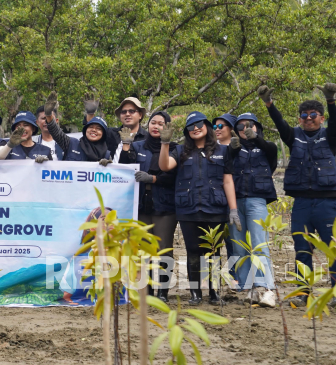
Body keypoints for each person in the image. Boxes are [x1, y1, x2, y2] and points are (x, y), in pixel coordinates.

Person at [258, 82, 336, 301]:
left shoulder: (329, 137)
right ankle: (303, 292)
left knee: (333, 249)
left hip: (326, 204)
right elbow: (280, 123)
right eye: (304, 115)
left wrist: (330, 102)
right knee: (302, 249)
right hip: (302, 204)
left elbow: (335, 124)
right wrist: (269, 103)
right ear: (299, 119)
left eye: (313, 114)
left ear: (321, 118)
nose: (308, 118)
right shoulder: (293, 137)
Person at [158, 111, 241, 305]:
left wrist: (233, 209)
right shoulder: (180, 151)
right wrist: (164, 143)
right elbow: (164, 166)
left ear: (207, 126)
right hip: (188, 209)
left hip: (215, 209)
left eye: (199, 124)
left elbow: (228, 181)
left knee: (213, 251)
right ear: (187, 131)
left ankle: (214, 293)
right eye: (190, 126)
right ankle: (195, 293)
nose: (195, 128)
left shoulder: (222, 151)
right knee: (193, 251)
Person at [118, 111, 178, 302]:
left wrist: (153, 178)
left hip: (165, 206)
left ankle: (163, 291)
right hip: (141, 205)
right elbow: (124, 168)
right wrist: (126, 146)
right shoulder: (137, 146)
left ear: (167, 128)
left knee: (163, 248)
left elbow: (172, 177)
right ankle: (146, 289)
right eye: (153, 122)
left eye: (161, 124)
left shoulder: (176, 148)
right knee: (142, 249)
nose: (156, 126)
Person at [228, 112, 279, 308]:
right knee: (239, 247)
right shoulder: (233, 148)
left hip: (257, 201)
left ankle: (267, 289)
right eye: (240, 126)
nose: (244, 129)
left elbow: (271, 152)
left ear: (257, 127)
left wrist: (255, 138)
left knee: (259, 244)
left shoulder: (267, 148)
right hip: (235, 202)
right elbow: (226, 169)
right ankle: (250, 288)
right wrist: (232, 150)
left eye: (249, 125)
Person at [43, 93, 112, 165]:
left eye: (98, 129)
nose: (94, 130)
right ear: (85, 130)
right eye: (91, 127)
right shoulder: (72, 143)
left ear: (103, 134)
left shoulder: (106, 155)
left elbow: (113, 173)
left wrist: (108, 166)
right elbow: (56, 132)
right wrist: (48, 114)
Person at [83, 95, 148, 157]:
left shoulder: (147, 138)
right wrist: (90, 114)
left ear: (140, 115)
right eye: (123, 112)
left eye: (132, 111)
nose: (127, 114)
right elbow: (92, 132)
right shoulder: (110, 133)